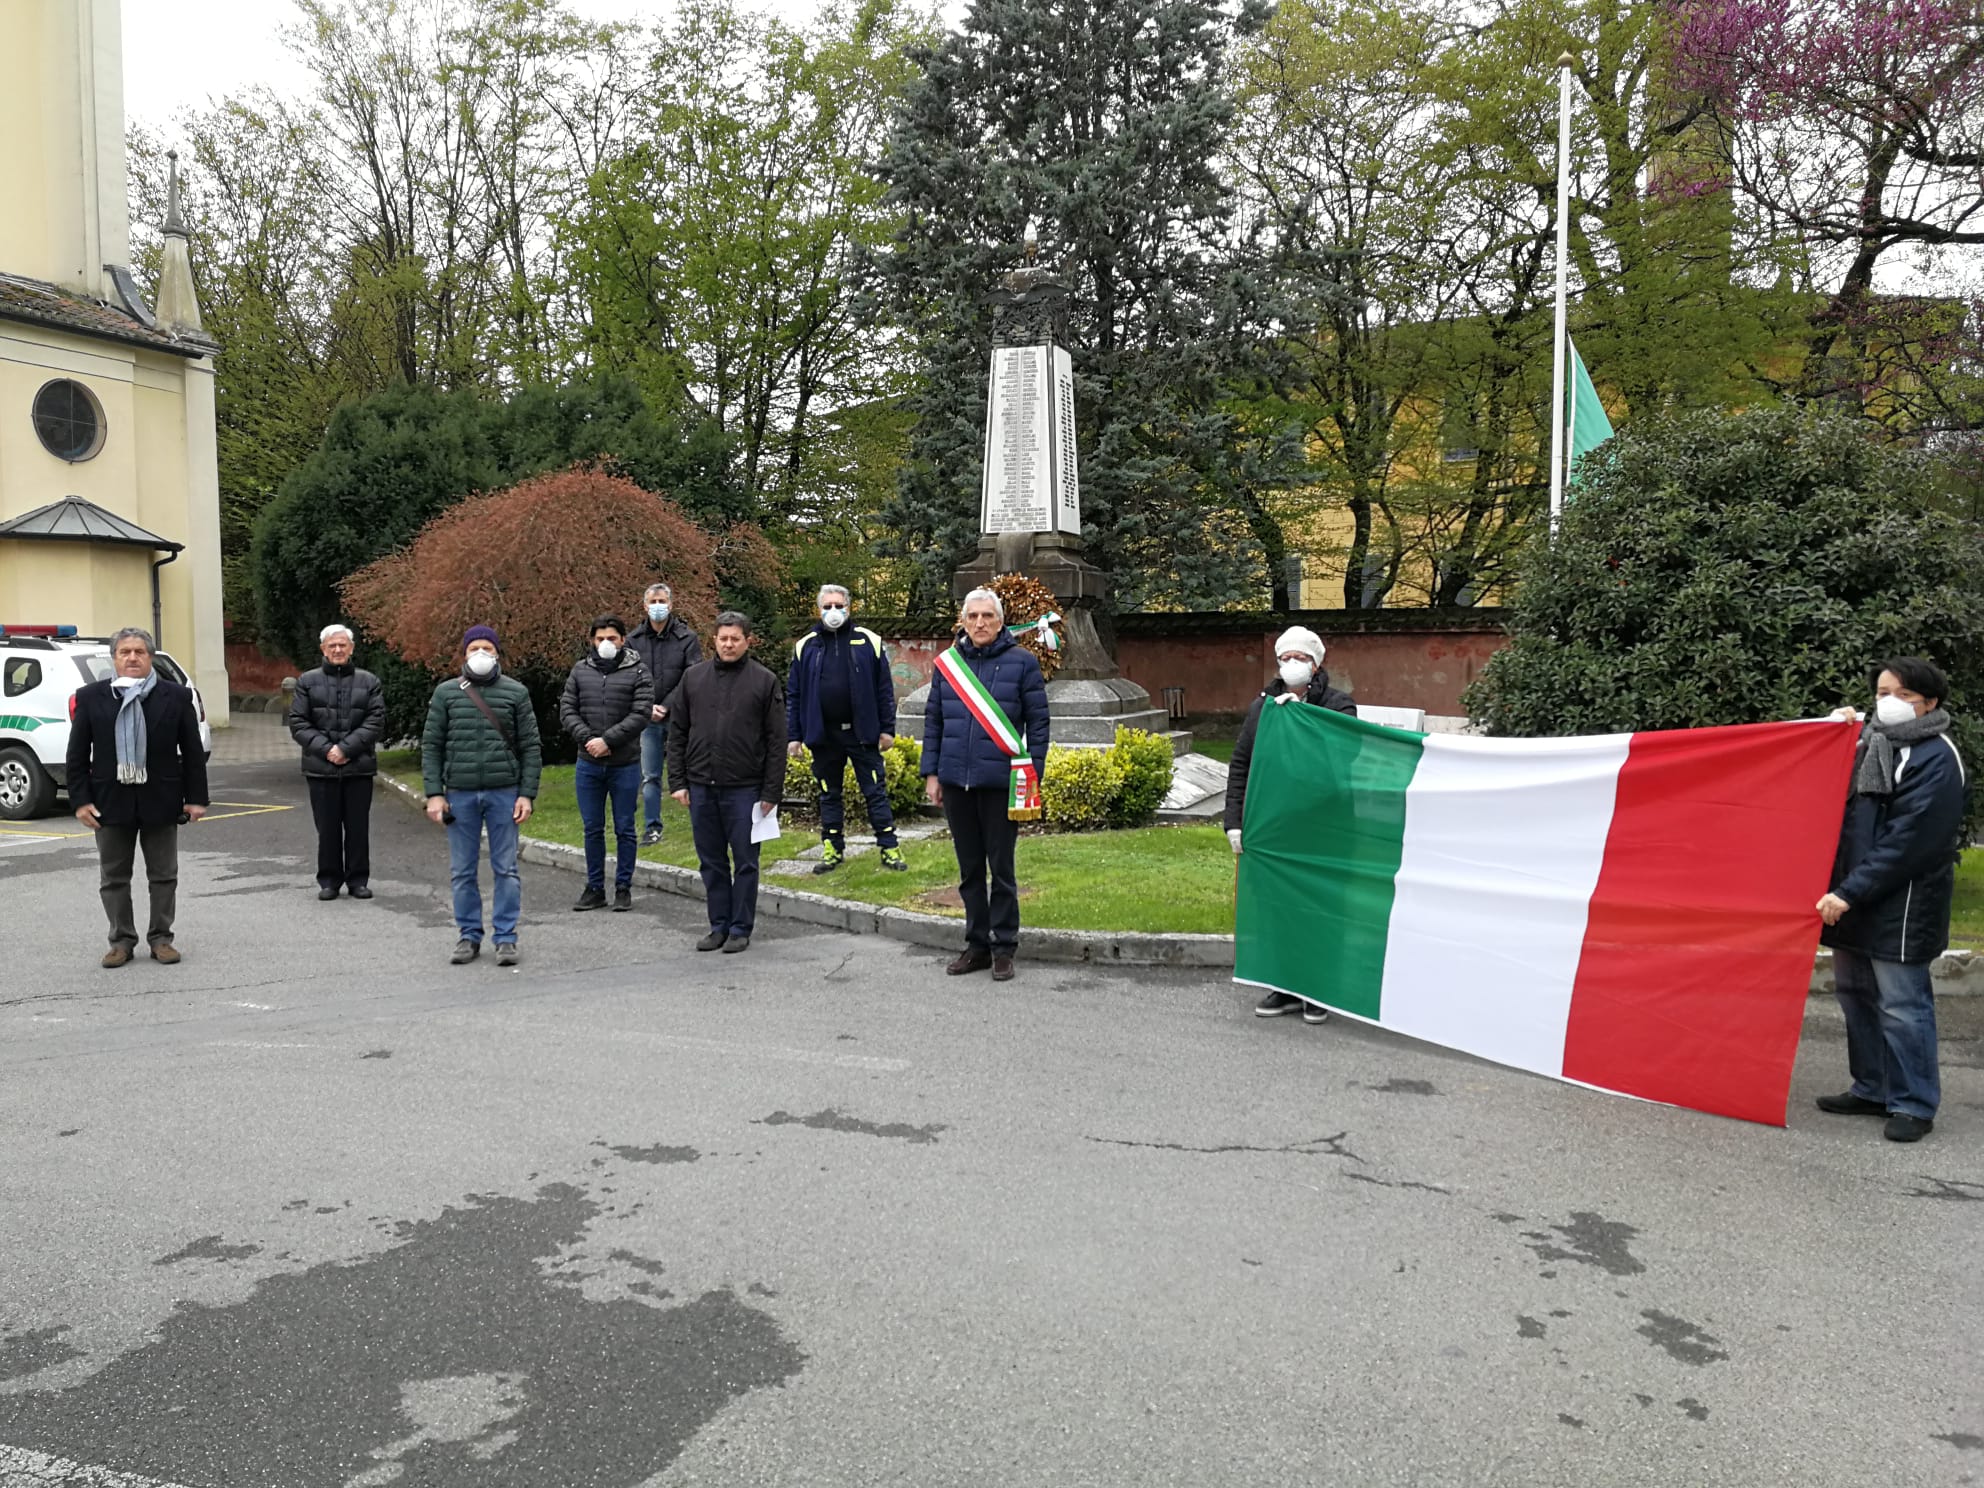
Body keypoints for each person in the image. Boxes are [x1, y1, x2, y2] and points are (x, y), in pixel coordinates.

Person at [1815, 657, 1966, 1143]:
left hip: (1901, 902)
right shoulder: (1867, 743)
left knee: (1902, 1004)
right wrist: (1830, 732)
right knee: (1856, 995)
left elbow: (1911, 841)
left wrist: (1848, 891)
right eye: (1882, 693)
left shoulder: (1936, 757)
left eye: (1903, 695)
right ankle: (1873, 1087)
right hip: (1852, 896)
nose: (1890, 703)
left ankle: (1913, 1102)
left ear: (1930, 704)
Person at [1224, 626, 1357, 1024]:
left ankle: (1317, 990)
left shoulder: (1339, 705)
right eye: (1286, 658)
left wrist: (1302, 722)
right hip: (1275, 827)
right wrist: (1234, 821)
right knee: (1278, 908)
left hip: (1323, 828)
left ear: (1316, 665)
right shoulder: (1262, 708)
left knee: (1320, 909)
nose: (1292, 665)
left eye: (1301, 658)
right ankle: (1283, 985)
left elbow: (1342, 758)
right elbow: (1241, 764)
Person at [921, 587, 1050, 982]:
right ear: (963, 621)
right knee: (969, 870)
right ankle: (977, 944)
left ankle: (1004, 946)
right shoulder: (948, 666)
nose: (980, 623)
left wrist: (1032, 775)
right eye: (973, 616)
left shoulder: (1023, 663)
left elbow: (1039, 724)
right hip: (957, 781)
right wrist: (932, 773)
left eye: (987, 617)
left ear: (1000, 621)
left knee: (1003, 870)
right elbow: (934, 721)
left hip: (1001, 783)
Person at [65, 626, 209, 966]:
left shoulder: (175, 696)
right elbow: (77, 754)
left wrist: (196, 797)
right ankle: (121, 941)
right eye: (124, 652)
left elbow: (191, 750)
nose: (132, 657)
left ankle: (161, 938)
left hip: (161, 798)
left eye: (139, 652)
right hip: (108, 801)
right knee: (113, 876)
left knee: (163, 875)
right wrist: (80, 800)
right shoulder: (91, 697)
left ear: (150, 657)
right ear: (114, 658)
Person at [421, 625, 543, 967]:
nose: (481, 654)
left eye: (487, 648)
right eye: (474, 647)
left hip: (504, 791)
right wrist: (434, 793)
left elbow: (530, 747)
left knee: (506, 868)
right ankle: (468, 935)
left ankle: (505, 938)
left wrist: (527, 794)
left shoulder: (515, 693)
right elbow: (431, 745)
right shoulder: (446, 693)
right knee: (462, 870)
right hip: (459, 793)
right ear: (463, 653)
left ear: (497, 654)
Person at [666, 611, 785, 954]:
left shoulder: (764, 681)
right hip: (701, 785)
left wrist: (771, 791)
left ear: (748, 640)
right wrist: (678, 781)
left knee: (746, 861)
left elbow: (777, 740)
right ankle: (718, 925)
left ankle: (740, 928)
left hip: (746, 789)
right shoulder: (693, 678)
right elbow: (678, 734)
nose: (729, 644)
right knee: (711, 861)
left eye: (735, 638)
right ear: (713, 641)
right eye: (723, 638)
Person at [787, 584, 908, 875]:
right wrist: (794, 736)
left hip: (862, 732)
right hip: (823, 735)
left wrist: (887, 729)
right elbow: (794, 694)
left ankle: (889, 848)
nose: (833, 611)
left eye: (838, 605)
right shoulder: (806, 645)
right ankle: (832, 849)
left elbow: (884, 689)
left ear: (848, 607)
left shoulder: (870, 641)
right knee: (829, 794)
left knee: (875, 792)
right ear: (819, 610)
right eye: (827, 606)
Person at [559, 614, 653, 912]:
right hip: (588, 763)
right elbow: (567, 708)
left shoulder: (638, 671)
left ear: (623, 640)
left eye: (612, 638)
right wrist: (588, 739)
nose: (606, 644)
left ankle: (623, 887)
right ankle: (595, 887)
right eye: (600, 639)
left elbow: (641, 713)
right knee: (592, 828)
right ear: (592, 641)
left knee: (625, 827)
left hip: (624, 763)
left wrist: (608, 741)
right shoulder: (580, 671)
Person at [288, 622, 387, 900]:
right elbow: (298, 722)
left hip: (359, 767)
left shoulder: (369, 682)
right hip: (321, 768)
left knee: (358, 827)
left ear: (352, 648)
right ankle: (329, 880)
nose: (338, 649)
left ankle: (358, 880)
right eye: (332, 645)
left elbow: (375, 721)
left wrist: (345, 749)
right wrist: (327, 750)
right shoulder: (307, 681)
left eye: (343, 644)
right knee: (327, 828)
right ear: (323, 649)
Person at [626, 581, 702, 846]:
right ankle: (652, 827)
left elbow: (692, 676)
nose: (658, 606)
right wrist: (647, 707)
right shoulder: (633, 640)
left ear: (671, 604)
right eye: (653, 602)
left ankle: (700, 824)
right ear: (645, 605)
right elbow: (629, 678)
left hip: (681, 716)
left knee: (691, 770)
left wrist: (667, 705)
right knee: (650, 775)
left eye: (662, 601)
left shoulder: (687, 637)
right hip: (647, 718)